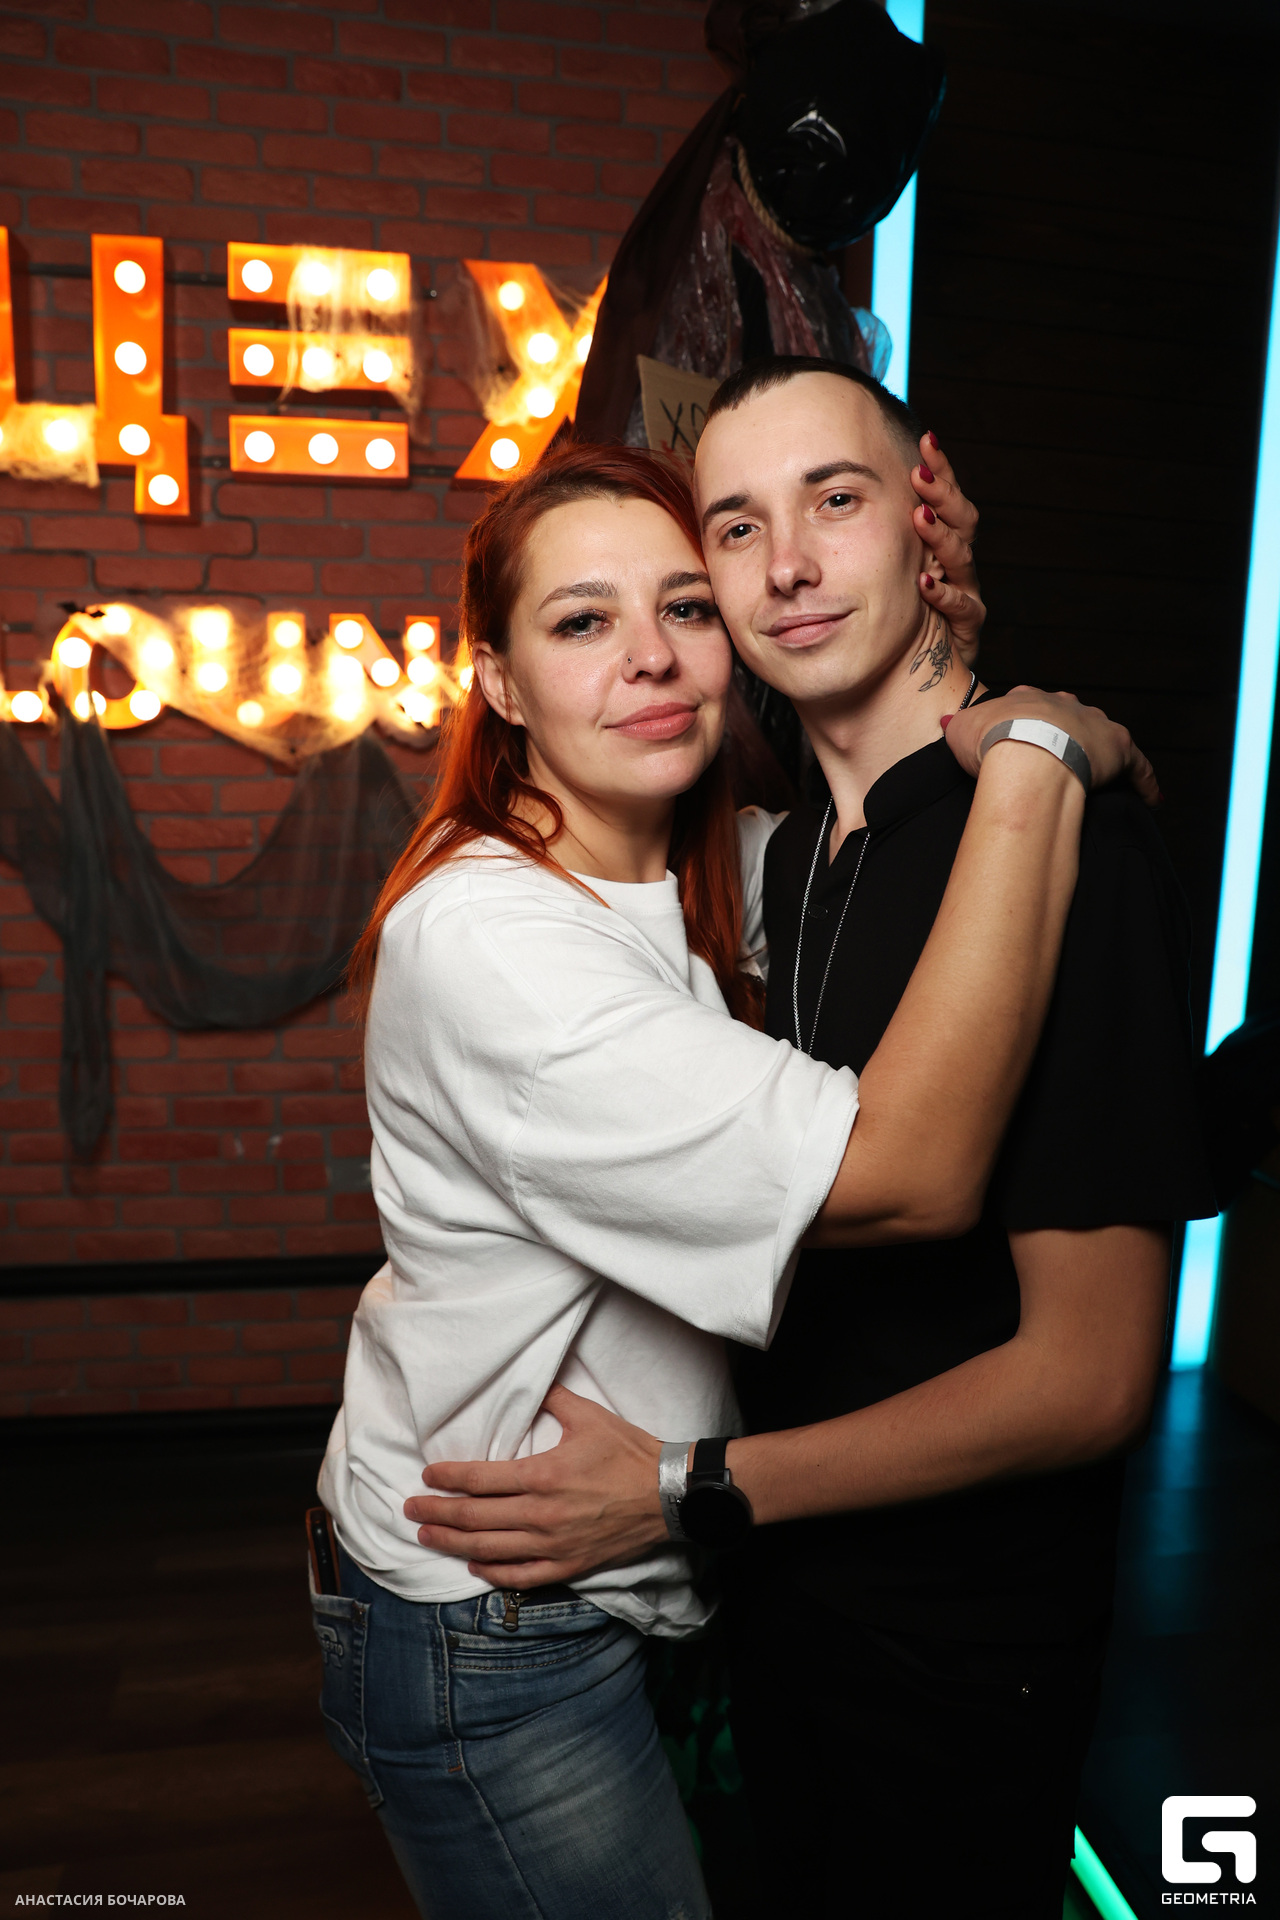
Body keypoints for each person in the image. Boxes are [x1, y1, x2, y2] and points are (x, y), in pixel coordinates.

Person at [405, 366, 1212, 1918]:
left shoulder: (1064, 838)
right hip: (773, 1607)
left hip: (956, 1646)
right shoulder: (777, 864)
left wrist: (696, 1485)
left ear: (927, 515)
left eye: (834, 500)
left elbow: (1095, 1374)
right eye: (736, 526)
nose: (786, 565)